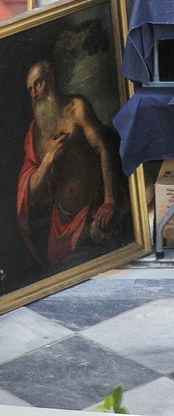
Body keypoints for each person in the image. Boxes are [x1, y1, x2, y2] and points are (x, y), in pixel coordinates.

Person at [20, 59, 121, 268]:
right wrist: (48, 159)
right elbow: (31, 194)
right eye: (30, 88)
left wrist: (109, 200)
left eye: (38, 83)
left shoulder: (77, 108)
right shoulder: (34, 131)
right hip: (61, 221)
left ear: (52, 79)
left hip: (94, 211)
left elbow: (103, 149)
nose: (34, 94)